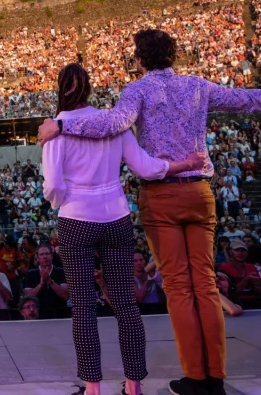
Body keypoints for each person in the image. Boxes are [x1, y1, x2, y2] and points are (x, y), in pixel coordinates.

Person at [38, 31, 261, 395]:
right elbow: (249, 99)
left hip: (159, 197)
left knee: (178, 289)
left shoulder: (136, 92)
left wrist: (61, 125)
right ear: (174, 56)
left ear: (139, 60)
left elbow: (111, 125)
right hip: (199, 193)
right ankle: (213, 377)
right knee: (205, 283)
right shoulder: (198, 86)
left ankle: (192, 379)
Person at [42, 63, 207, 395]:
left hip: (77, 219)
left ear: (59, 89)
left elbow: (54, 185)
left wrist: (62, 203)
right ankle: (133, 385)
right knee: (125, 305)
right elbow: (146, 168)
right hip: (116, 216)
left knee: (85, 307)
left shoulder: (55, 129)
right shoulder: (113, 124)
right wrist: (185, 165)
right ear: (89, 88)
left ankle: (92, 387)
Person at [23, 243, 69, 319]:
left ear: (52, 256)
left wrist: (49, 281)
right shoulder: (31, 273)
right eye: (41, 254)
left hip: (59, 315)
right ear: (37, 258)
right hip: (39, 316)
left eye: (47, 254)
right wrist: (41, 284)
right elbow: (27, 298)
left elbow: (65, 296)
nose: (44, 256)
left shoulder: (61, 272)